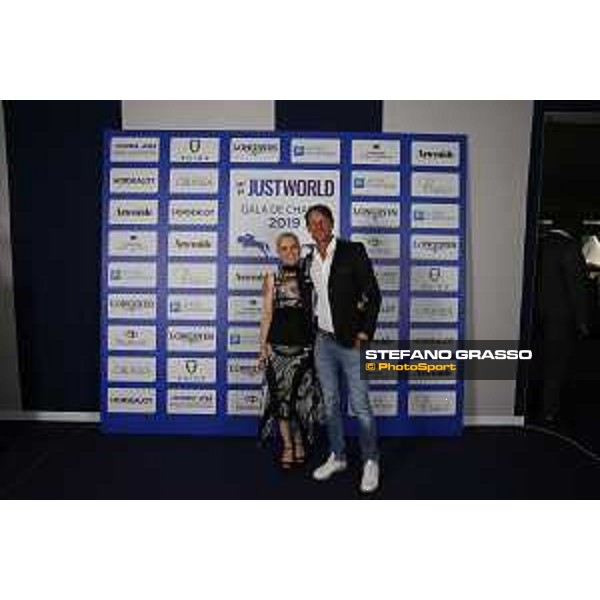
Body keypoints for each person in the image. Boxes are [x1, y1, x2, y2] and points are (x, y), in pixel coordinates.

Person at [305, 204, 382, 493]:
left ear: (332, 223)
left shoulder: (353, 251)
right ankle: (337, 456)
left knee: (360, 405)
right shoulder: (309, 260)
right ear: (308, 229)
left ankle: (371, 461)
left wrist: (365, 333)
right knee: (331, 404)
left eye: (322, 221)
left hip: (353, 343)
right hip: (323, 342)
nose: (318, 226)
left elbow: (373, 295)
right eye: (313, 223)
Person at [257, 232, 320, 468]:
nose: (290, 252)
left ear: (299, 249)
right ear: (278, 252)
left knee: (301, 402)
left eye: (293, 247)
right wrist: (262, 348)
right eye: (284, 248)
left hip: (304, 348)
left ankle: (299, 440)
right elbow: (266, 315)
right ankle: (288, 446)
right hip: (278, 349)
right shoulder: (271, 278)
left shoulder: (311, 278)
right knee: (281, 402)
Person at [534, 214, 590, 425]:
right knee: (556, 364)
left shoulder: (540, 244)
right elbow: (577, 289)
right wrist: (582, 321)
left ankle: (531, 404)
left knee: (538, 359)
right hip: (560, 317)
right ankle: (549, 410)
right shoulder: (570, 248)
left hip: (536, 314)